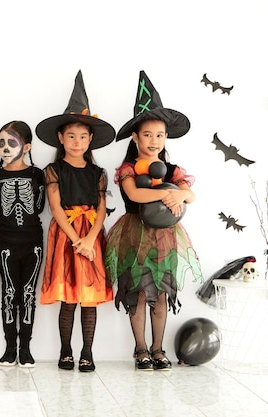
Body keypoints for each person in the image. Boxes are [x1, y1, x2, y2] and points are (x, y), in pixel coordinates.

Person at [105, 71, 203, 371]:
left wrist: (180, 195)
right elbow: (134, 194)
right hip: (134, 235)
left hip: (164, 237)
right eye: (147, 135)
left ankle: (159, 349)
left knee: (160, 294)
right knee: (136, 293)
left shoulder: (171, 168)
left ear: (166, 137)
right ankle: (141, 348)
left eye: (160, 135)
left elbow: (191, 195)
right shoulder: (128, 168)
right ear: (135, 137)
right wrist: (167, 194)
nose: (154, 140)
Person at [36, 70, 116, 373]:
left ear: (90, 139)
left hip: (92, 235)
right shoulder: (53, 170)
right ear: (61, 137)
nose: (77, 141)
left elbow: (102, 209)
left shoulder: (98, 173)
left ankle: (87, 352)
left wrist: (90, 239)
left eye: (83, 136)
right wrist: (75, 240)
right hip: (66, 235)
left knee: (89, 298)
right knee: (68, 297)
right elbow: (56, 208)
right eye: (71, 135)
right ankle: (66, 351)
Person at [0, 121, 45, 368]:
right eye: (1, 143)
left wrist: (40, 185)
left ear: (27, 147)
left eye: (11, 142)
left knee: (27, 295)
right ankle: (10, 348)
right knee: (9, 294)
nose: (5, 148)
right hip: (6, 242)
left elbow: (39, 207)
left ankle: (26, 349)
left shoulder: (36, 174)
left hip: (33, 243)